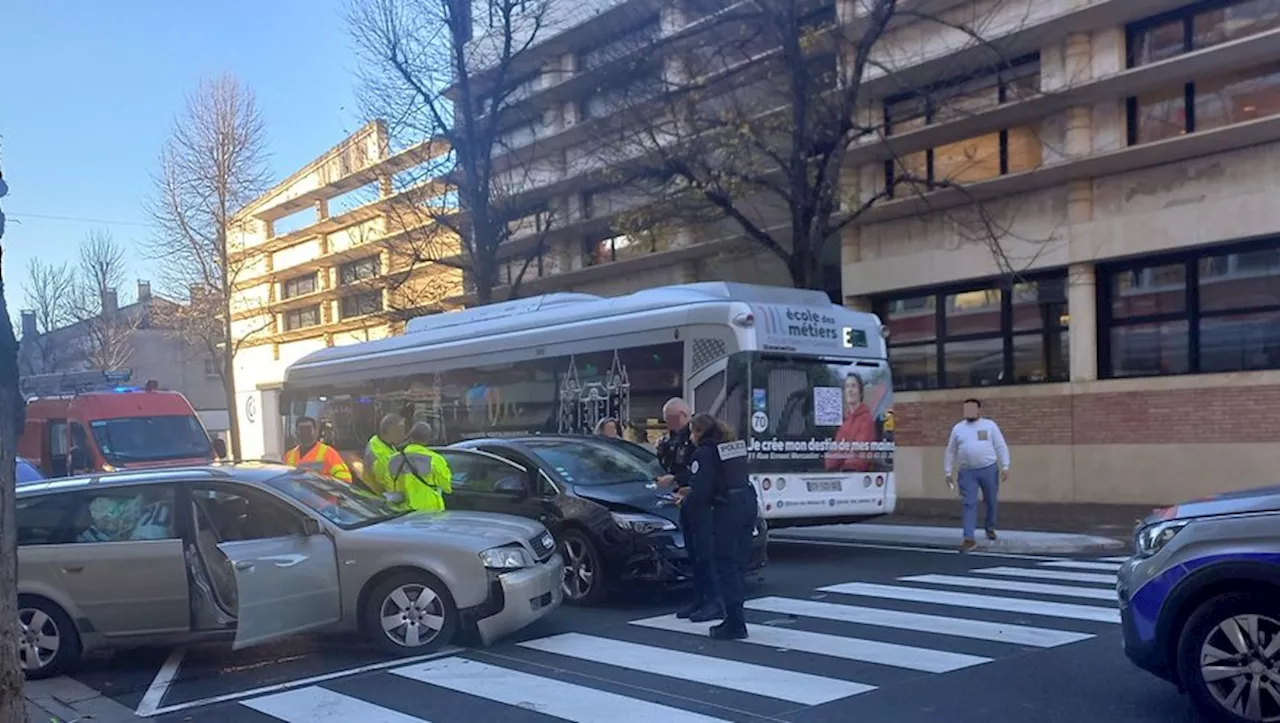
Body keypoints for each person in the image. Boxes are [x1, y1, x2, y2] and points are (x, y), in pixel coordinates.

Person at [678, 413, 757, 640]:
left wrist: (687, 497)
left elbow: (701, 490)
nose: (691, 436)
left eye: (692, 431)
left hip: (728, 509)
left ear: (699, 432)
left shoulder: (704, 452)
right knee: (738, 564)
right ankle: (735, 617)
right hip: (747, 502)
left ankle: (734, 623)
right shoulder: (731, 446)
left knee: (725, 564)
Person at [655, 398, 718, 621]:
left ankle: (713, 601)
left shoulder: (704, 448)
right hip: (688, 502)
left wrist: (678, 480)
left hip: (701, 505)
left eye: (670, 419)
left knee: (705, 555)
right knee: (695, 554)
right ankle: (700, 599)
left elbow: (699, 476)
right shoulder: (675, 440)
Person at [944, 398, 1010, 551]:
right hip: (967, 472)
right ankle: (969, 538)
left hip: (989, 469)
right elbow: (951, 451)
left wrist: (1005, 466)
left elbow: (1000, 446)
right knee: (969, 503)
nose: (969, 412)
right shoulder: (958, 429)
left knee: (991, 501)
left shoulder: (990, 426)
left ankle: (990, 527)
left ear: (979, 410)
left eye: (972, 408)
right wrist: (948, 471)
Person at [387, 422, 453, 512]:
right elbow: (447, 487)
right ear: (427, 439)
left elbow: (388, 485)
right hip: (430, 511)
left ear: (411, 437)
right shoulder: (435, 459)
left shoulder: (393, 459)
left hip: (402, 512)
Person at [824, 372, 877, 472]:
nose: (850, 390)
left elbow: (860, 452)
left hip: (857, 475)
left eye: (853, 386)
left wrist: (843, 451)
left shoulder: (866, 419)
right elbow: (831, 458)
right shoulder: (845, 422)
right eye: (847, 387)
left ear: (860, 392)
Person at [285, 417, 352, 483]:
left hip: (318, 493)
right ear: (296, 432)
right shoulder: (289, 455)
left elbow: (345, 479)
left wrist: (324, 482)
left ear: (315, 431)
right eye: (302, 429)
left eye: (308, 429)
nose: (305, 432)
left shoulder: (328, 453)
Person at [363, 414, 407, 495]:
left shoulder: (379, 442)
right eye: (401, 431)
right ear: (391, 431)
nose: (404, 435)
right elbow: (389, 488)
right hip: (381, 501)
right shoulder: (381, 458)